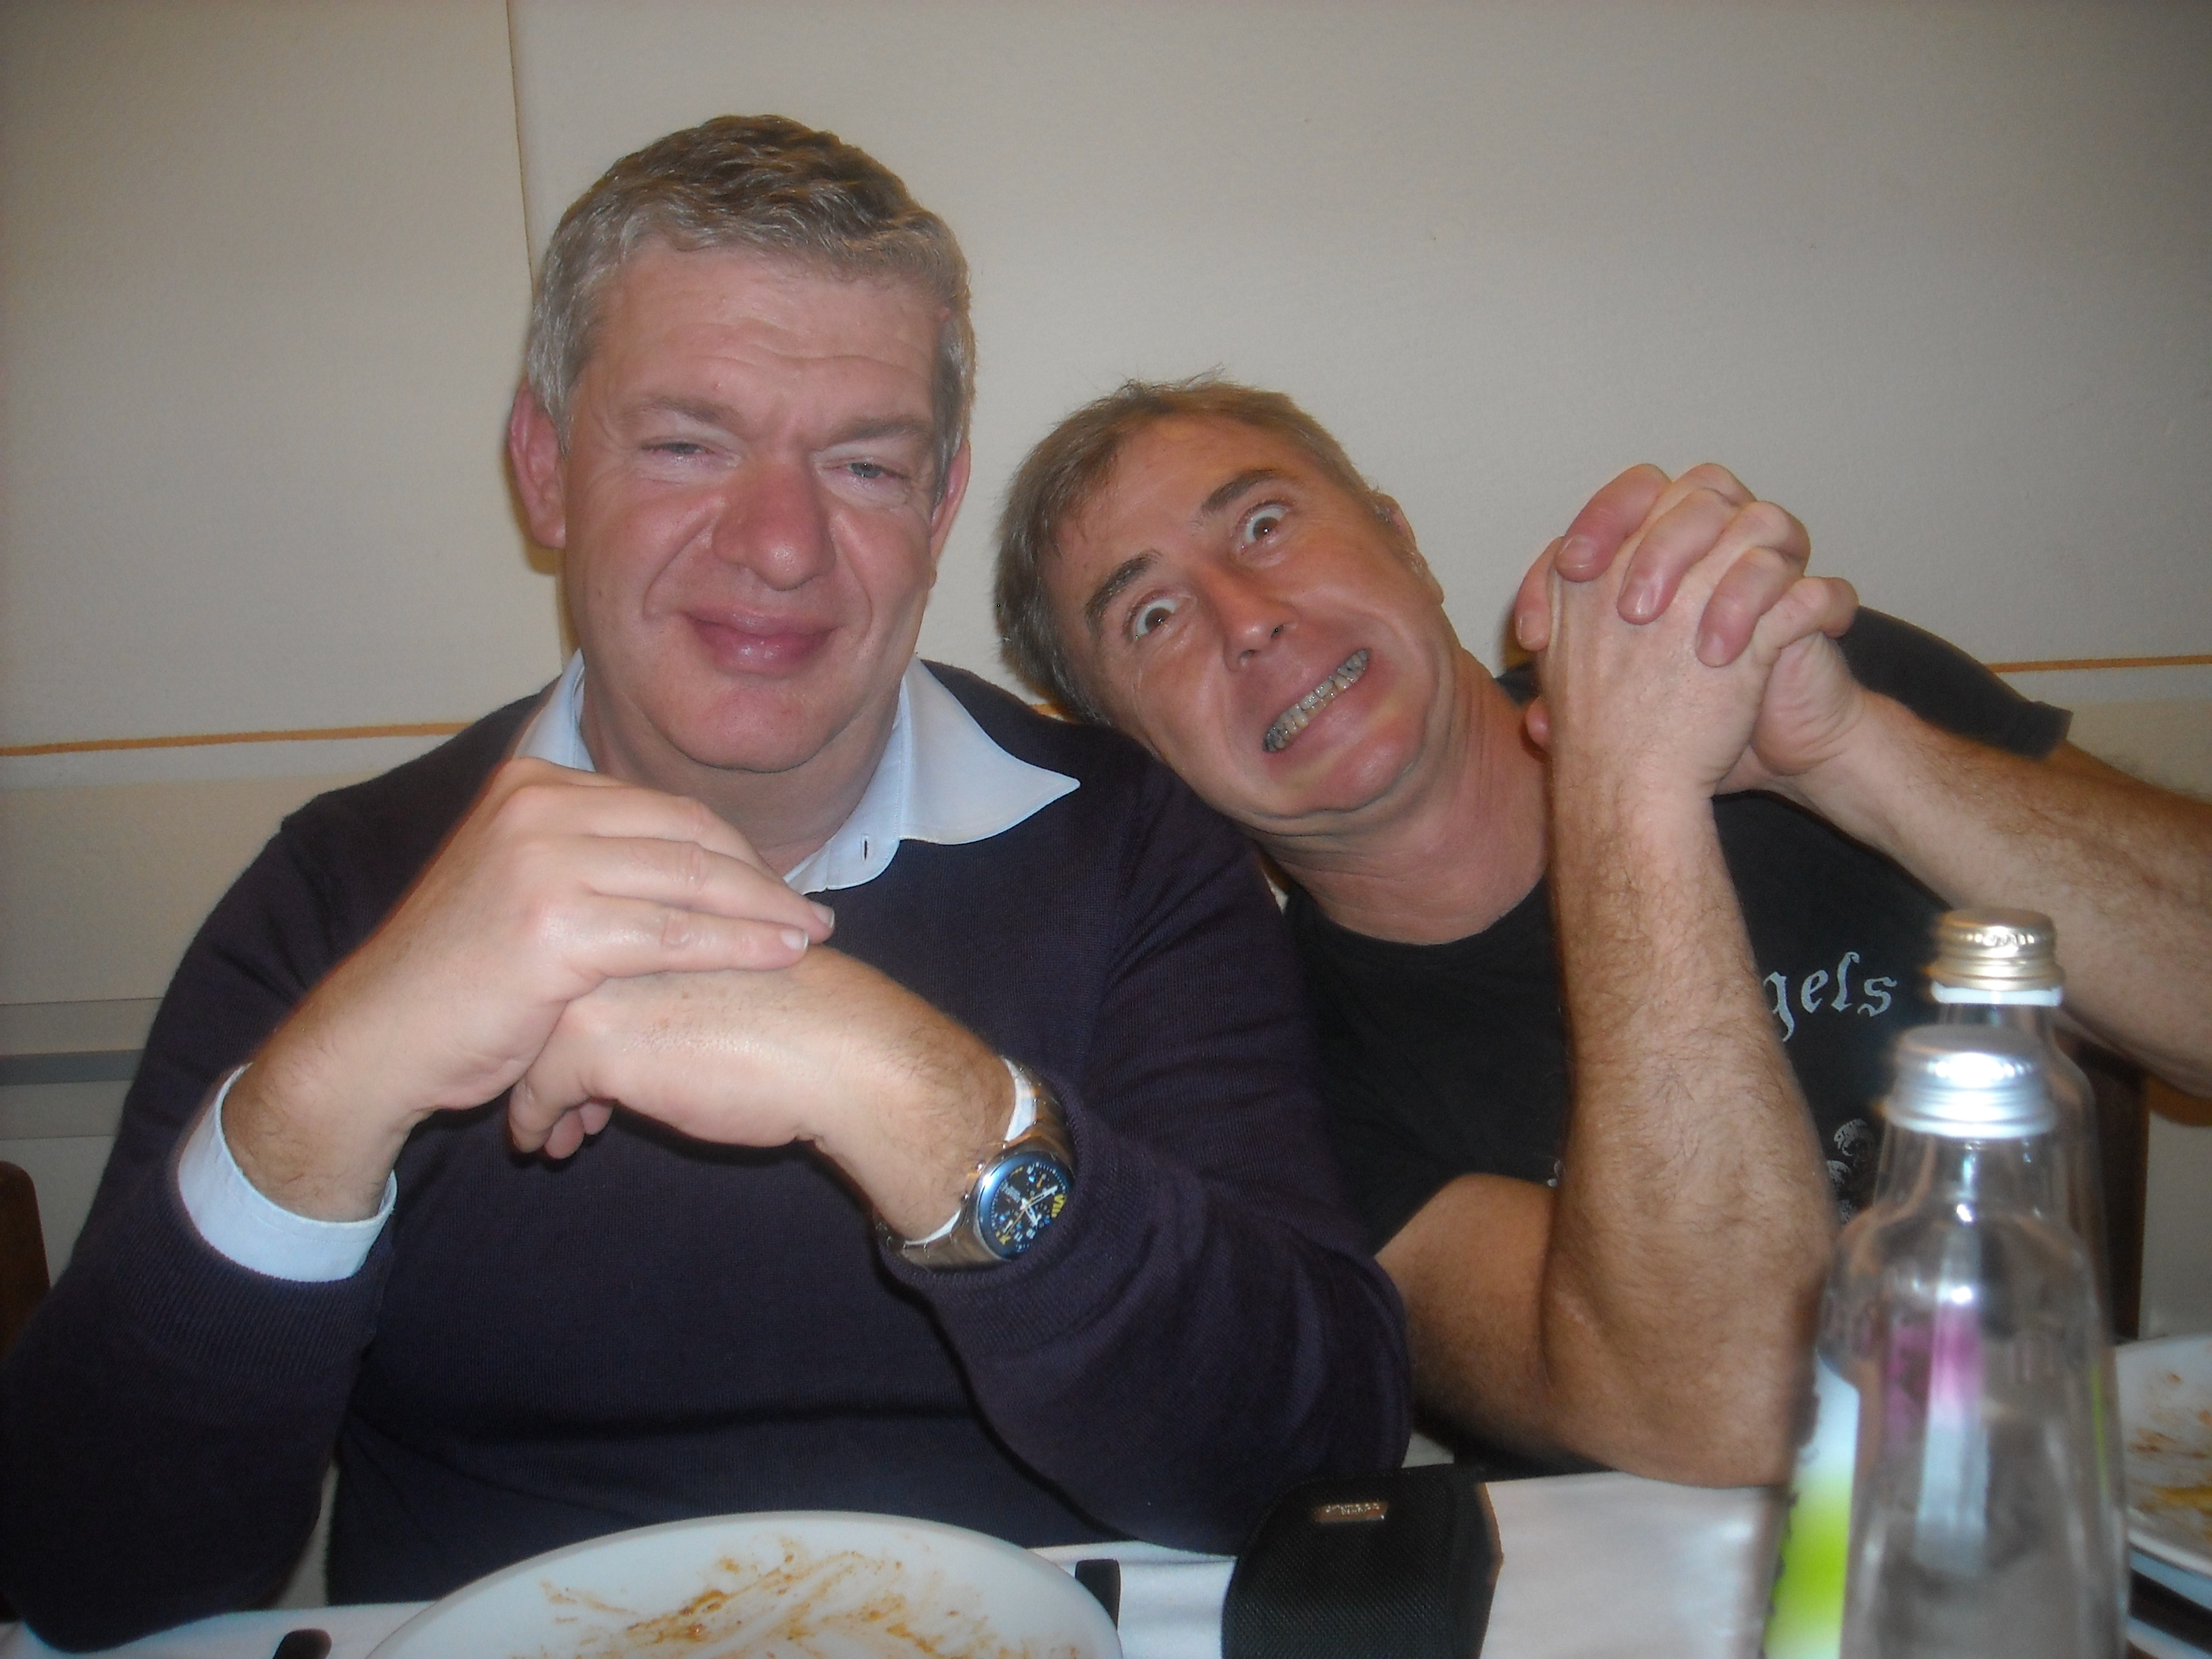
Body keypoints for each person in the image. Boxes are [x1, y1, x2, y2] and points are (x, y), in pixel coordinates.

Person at [0, 129, 1410, 1648]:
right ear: (545, 468)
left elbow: (1311, 1464)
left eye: (864, 465)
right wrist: (330, 1087)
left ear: (938, 511)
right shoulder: (343, 887)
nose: (782, 546)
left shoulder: (1132, 850)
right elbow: (87, 1572)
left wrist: (915, 1095)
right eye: (687, 444)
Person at [994, 376, 2212, 1486]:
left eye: (1263, 524)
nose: (1248, 620)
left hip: (2058, 1541)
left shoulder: (1798, 687)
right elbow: (1739, 1414)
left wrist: (1853, 755)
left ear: (1403, 540)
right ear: (1132, 754)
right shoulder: (1263, 1085)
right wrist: (1632, 785)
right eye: (1151, 618)